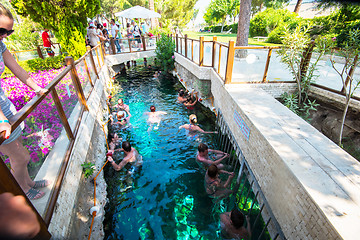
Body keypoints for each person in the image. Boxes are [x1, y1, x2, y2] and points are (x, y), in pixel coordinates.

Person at [0, 4, 49, 200]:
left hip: (5, 106)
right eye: (1, 30)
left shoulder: (0, 45)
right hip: (0, 116)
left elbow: (17, 69)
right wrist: (2, 120)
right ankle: (22, 190)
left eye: (8, 32)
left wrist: (37, 88)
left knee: (18, 150)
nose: (4, 35)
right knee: (22, 156)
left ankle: (27, 181)